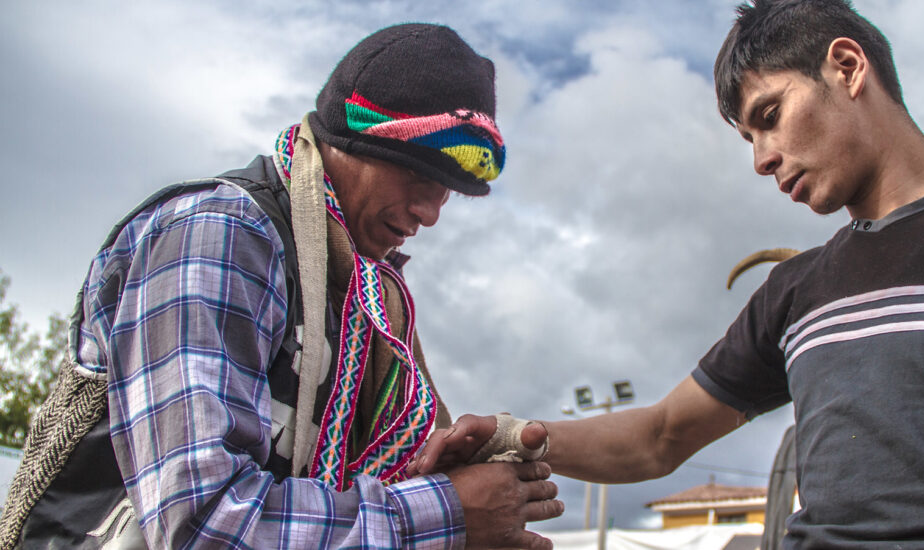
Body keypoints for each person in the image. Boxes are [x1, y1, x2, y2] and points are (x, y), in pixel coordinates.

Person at [410, 1, 924, 548]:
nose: (761, 159)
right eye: (747, 137)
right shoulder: (797, 290)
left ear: (846, 66)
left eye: (769, 115)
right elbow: (659, 438)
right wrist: (510, 434)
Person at [0, 24, 562, 550]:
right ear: (350, 142)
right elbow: (204, 523)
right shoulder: (221, 232)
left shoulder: (360, 296)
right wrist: (447, 511)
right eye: (418, 176)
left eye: (448, 192)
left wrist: (431, 473)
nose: (430, 214)